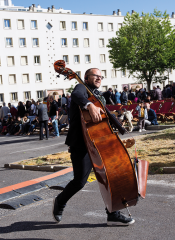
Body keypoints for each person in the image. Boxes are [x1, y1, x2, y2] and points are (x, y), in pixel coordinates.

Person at [52, 68, 135, 226]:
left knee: (110, 177)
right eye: (95, 75)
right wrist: (89, 105)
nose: (99, 78)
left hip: (100, 142)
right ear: (86, 77)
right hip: (81, 144)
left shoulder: (99, 96)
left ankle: (113, 212)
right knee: (79, 182)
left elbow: (102, 122)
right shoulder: (82, 88)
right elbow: (77, 96)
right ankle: (60, 202)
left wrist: (117, 125)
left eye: (101, 76)